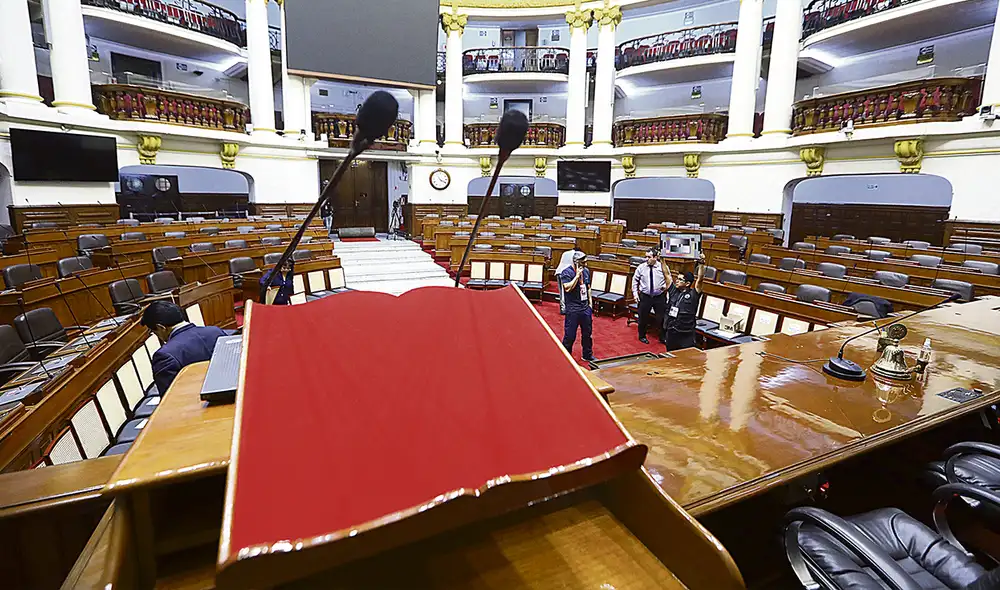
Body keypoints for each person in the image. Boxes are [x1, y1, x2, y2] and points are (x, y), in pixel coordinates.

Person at [140, 301, 227, 395]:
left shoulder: (165, 355)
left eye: (154, 331)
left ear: (161, 327)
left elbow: (169, 398)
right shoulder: (215, 331)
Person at [663, 253, 706, 352]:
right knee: (670, 356)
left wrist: (702, 263)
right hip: (672, 331)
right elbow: (667, 275)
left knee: (685, 359)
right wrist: (662, 259)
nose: (677, 281)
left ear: (687, 283)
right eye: (677, 278)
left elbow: (700, 279)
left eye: (680, 279)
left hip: (686, 333)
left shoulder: (693, 294)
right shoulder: (674, 291)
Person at [558, 250, 594, 362]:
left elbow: (588, 288)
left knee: (587, 334)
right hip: (573, 309)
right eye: (584, 262)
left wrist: (590, 304)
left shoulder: (586, 271)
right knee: (570, 335)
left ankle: (587, 355)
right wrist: (577, 276)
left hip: (585, 308)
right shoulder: (566, 272)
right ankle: (566, 357)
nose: (586, 265)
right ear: (576, 262)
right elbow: (567, 288)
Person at [632, 247, 668, 344]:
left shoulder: (662, 267)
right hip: (645, 296)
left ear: (656, 257)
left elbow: (668, 278)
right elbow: (635, 281)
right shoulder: (641, 267)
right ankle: (642, 336)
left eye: (649, 257)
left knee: (662, 318)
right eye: (646, 257)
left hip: (659, 297)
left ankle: (662, 337)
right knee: (643, 317)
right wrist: (635, 294)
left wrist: (664, 286)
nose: (646, 259)